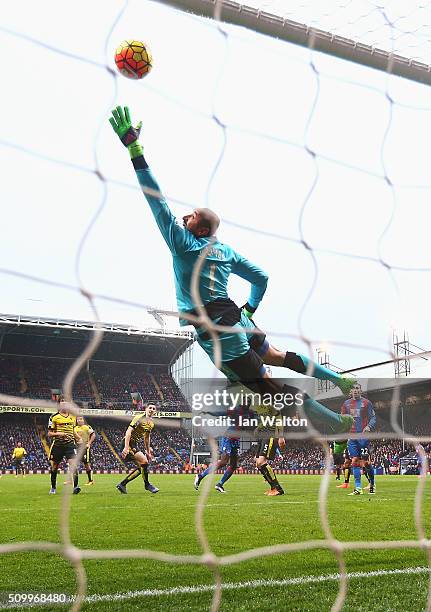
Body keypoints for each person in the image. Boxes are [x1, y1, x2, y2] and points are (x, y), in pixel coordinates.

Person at [109, 106, 354, 435]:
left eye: (192, 216)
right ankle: (336, 379)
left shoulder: (183, 244)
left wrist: (134, 149)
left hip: (217, 331)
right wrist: (250, 308)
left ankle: (337, 422)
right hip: (239, 318)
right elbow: (262, 278)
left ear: (200, 229)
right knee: (278, 356)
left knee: (271, 390)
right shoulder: (225, 251)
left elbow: (156, 200)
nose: (184, 217)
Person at [341, 384, 377, 495]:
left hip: (363, 437)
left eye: (357, 388)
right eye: (353, 388)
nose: (355, 390)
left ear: (360, 390)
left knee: (366, 463)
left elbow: (373, 417)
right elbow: (343, 419)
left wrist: (369, 426)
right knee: (354, 461)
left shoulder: (367, 403)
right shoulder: (346, 404)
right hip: (352, 437)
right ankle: (358, 488)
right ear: (350, 391)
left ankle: (372, 484)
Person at [116, 404, 159, 495]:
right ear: (146, 409)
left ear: (155, 412)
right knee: (144, 462)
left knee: (142, 468)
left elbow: (146, 438)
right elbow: (128, 431)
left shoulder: (151, 423)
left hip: (134, 444)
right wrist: (126, 447)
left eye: (153, 409)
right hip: (128, 443)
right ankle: (147, 485)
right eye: (150, 408)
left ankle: (122, 484)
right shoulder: (139, 418)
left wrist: (148, 451)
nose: (151, 409)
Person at [47, 400, 82, 495]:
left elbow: (73, 430)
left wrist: (78, 438)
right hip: (58, 445)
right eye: (62, 403)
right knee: (55, 466)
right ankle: (53, 487)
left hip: (70, 445)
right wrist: (60, 434)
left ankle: (76, 487)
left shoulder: (72, 417)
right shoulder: (54, 417)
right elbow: (49, 433)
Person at [74, 416, 96, 486]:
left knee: (86, 464)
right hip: (76, 447)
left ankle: (90, 480)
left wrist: (89, 443)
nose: (79, 420)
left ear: (83, 420)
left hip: (84, 447)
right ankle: (71, 480)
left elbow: (93, 435)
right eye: (78, 419)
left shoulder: (87, 427)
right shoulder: (75, 428)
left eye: (81, 419)